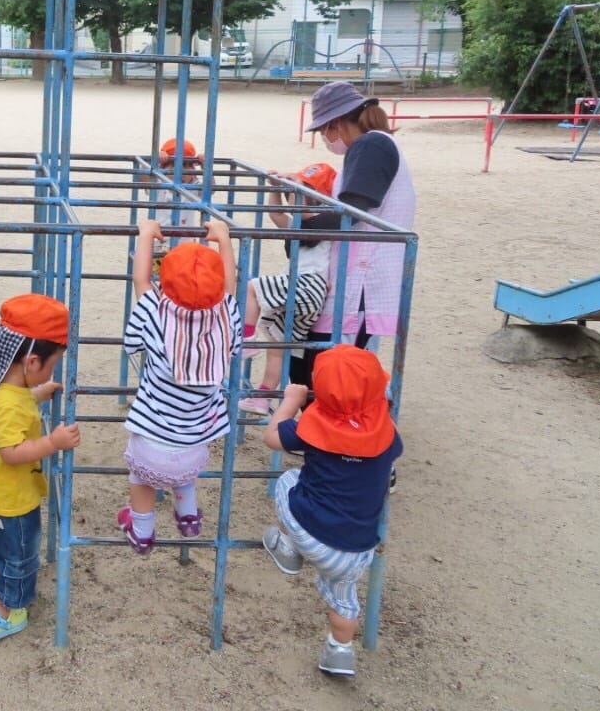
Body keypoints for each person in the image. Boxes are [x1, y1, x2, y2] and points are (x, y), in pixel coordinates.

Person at [261, 345, 403, 678]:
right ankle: (340, 652)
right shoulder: (388, 435)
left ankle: (288, 550)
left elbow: (271, 437)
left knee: (287, 480)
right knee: (345, 601)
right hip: (356, 550)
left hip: (311, 531)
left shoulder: (311, 429)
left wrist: (291, 403)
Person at [118, 217, 241, 553]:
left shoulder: (155, 313)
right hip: (194, 450)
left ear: (165, 286)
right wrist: (224, 240)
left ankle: (142, 531)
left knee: (142, 480)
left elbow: (140, 280)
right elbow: (230, 287)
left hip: (150, 449)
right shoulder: (225, 315)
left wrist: (145, 235)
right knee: (182, 470)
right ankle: (187, 515)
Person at [0, 294, 81, 641]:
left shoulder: (0, 389)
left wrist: (39, 393)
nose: (52, 371)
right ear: (32, 362)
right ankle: (6, 609)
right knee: (20, 554)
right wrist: (53, 443)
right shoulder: (9, 405)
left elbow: (14, 402)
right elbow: (12, 451)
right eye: (51, 365)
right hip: (12, 499)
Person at [294, 81, 416, 388]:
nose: (326, 138)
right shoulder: (374, 145)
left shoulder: (371, 146)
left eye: (324, 130)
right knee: (336, 357)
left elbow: (355, 208)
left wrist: (307, 227)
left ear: (335, 123)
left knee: (337, 362)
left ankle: (351, 420)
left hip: (364, 274)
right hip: (360, 271)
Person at [239, 162, 337, 416]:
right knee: (277, 345)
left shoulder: (326, 217)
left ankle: (247, 338)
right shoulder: (302, 219)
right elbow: (276, 214)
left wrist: (290, 185)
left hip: (306, 284)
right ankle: (263, 398)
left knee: (252, 287)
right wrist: (276, 188)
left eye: (305, 189)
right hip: (309, 292)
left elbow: (302, 211)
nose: (298, 192)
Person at [147, 138, 203, 275]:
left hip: (186, 247)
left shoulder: (193, 187)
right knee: (159, 280)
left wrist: (206, 167)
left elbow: (210, 189)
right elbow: (143, 179)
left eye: (186, 166)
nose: (180, 172)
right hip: (159, 247)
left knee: (183, 281)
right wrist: (154, 162)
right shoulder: (159, 184)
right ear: (163, 169)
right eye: (173, 167)